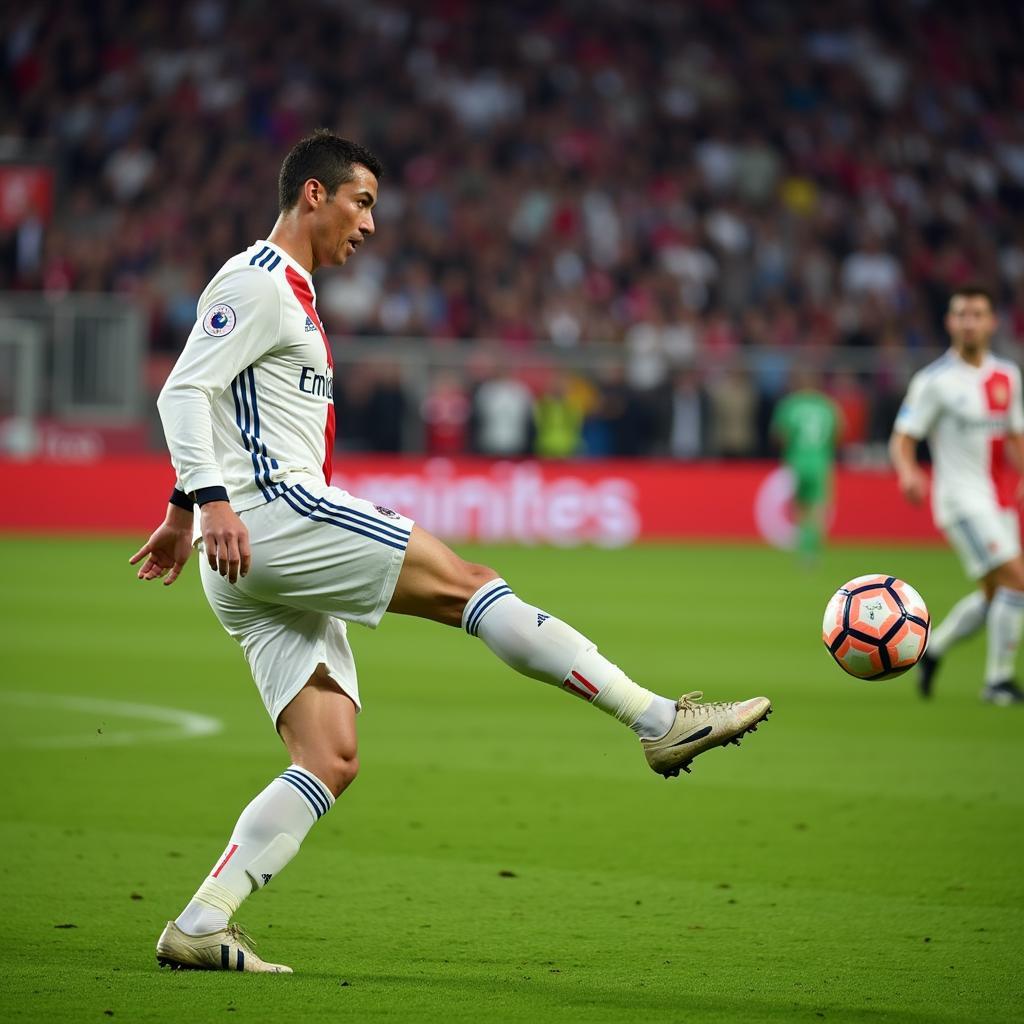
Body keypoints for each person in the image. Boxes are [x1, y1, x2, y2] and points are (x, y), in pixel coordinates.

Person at [130, 131, 772, 974]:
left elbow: (224, 408)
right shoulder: (257, 283)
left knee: (329, 757)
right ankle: (659, 721)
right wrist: (210, 501)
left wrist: (184, 510)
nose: (370, 225)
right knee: (471, 586)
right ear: (315, 195)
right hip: (272, 515)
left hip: (246, 553)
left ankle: (203, 921)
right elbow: (185, 388)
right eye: (362, 203)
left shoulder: (292, 293)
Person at [890, 284, 1024, 705]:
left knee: (994, 595)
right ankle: (998, 681)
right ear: (950, 322)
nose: (969, 321)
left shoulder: (1008, 375)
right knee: (1019, 582)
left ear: (991, 322)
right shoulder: (934, 381)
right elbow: (904, 435)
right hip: (961, 500)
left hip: (1000, 500)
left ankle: (932, 652)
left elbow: (1015, 437)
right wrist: (908, 471)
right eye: (961, 313)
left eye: (977, 314)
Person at [769, 369, 842, 564]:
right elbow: (840, 432)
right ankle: (814, 550)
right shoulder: (827, 405)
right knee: (818, 506)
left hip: (797, 461)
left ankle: (802, 550)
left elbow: (779, 434)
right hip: (820, 461)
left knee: (800, 505)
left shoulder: (790, 405)